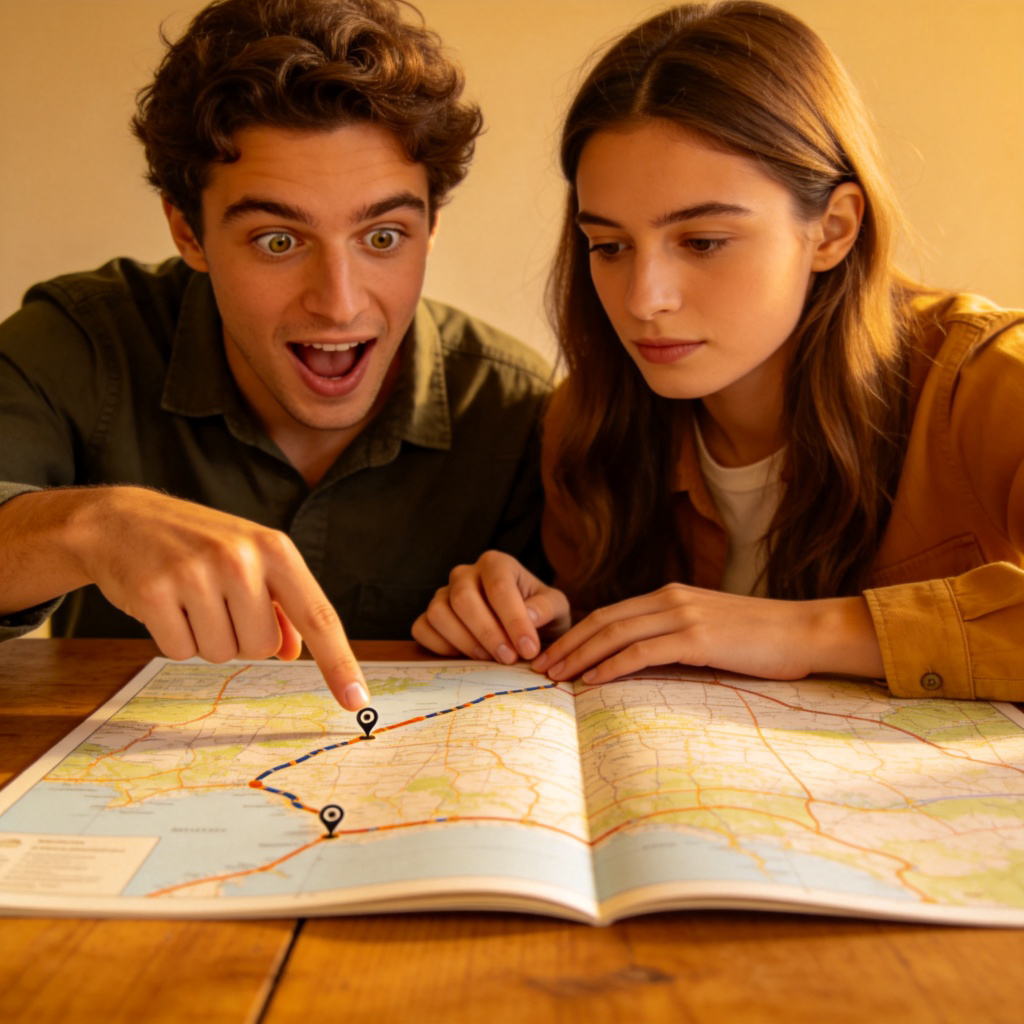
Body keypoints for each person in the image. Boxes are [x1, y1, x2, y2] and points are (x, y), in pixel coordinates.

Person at [413, 0, 1024, 703]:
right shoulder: (587, 423)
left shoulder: (985, 382)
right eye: (609, 246)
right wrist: (546, 622)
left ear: (832, 228)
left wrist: (807, 633)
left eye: (703, 242)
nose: (645, 299)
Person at [0, 0, 552, 710]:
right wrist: (89, 527)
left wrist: (535, 613)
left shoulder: (513, 409)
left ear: (432, 227)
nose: (339, 302)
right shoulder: (81, 341)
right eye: (278, 241)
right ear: (188, 231)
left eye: (383, 236)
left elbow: (564, 639)